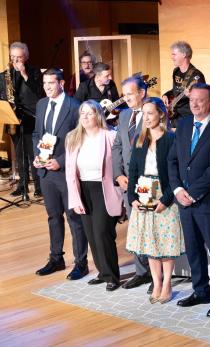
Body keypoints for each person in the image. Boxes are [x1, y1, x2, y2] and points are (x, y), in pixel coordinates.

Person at [168, 83, 210, 318]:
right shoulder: (183, 125)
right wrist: (176, 189)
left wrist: (192, 192)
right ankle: (201, 290)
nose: (194, 104)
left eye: (200, 100)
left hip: (209, 203)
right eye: (192, 100)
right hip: (184, 201)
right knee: (194, 250)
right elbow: (172, 160)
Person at [125, 97, 184, 304]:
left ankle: (167, 283)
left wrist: (166, 199)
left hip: (164, 197)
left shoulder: (170, 139)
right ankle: (156, 282)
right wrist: (131, 197)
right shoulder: (139, 140)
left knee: (165, 242)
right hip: (143, 196)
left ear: (161, 114)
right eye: (144, 113)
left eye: (150, 113)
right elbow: (132, 171)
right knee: (150, 243)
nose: (147, 117)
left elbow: (174, 172)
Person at [31, 68, 88, 280]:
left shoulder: (74, 107)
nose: (47, 87)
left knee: (74, 218)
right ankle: (56, 258)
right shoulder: (41, 104)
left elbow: (80, 139)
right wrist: (38, 156)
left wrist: (61, 161)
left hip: (65, 170)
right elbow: (37, 134)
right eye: (45, 83)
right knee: (53, 217)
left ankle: (80, 263)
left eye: (51, 83)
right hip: (45, 171)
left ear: (61, 83)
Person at [65, 100, 123, 291]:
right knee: (90, 234)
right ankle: (103, 272)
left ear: (98, 115)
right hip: (83, 189)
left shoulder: (111, 136)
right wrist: (74, 198)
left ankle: (112, 276)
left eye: (90, 113)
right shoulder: (72, 138)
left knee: (102, 233)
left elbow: (118, 166)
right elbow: (69, 173)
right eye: (82, 113)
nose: (85, 117)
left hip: (103, 189)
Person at [111, 77, 153, 291]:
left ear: (142, 93)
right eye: (124, 94)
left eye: (130, 93)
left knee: (150, 227)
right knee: (135, 228)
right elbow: (117, 146)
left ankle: (157, 275)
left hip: (147, 180)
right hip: (127, 182)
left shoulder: (152, 112)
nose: (125, 98)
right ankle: (141, 271)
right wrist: (118, 175)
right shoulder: (125, 115)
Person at [1, 41, 44, 198]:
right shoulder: (5, 75)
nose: (15, 61)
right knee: (19, 154)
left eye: (19, 57)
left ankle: (39, 187)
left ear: (26, 57)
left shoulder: (34, 72)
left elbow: (39, 92)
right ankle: (22, 185)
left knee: (33, 153)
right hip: (13, 118)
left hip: (31, 118)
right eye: (13, 57)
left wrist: (24, 74)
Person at [161, 41, 205, 122]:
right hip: (175, 116)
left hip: (189, 116)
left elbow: (203, 98)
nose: (172, 57)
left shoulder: (196, 75)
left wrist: (191, 96)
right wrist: (166, 95)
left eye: (174, 54)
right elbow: (175, 91)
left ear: (184, 54)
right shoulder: (176, 71)